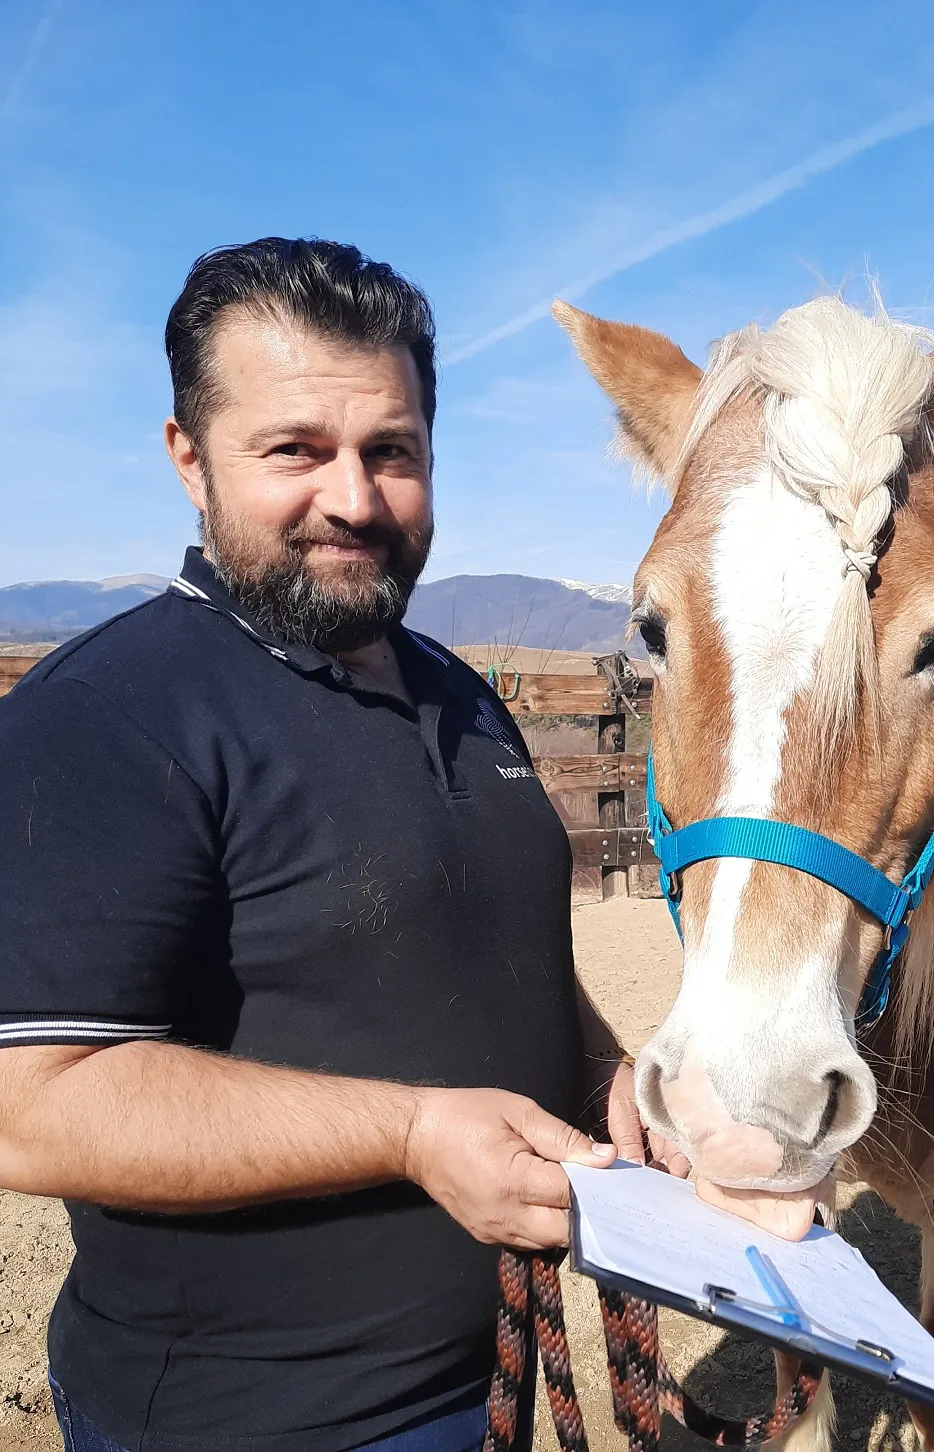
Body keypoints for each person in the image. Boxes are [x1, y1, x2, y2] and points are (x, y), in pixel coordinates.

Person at [0, 237, 678, 1452]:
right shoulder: (109, 715)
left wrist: (604, 1074)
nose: (354, 500)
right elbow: (30, 1106)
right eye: (295, 451)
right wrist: (411, 1135)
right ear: (188, 456)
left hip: (488, 1376)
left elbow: (490, 943)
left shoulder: (460, 695)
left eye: (391, 452)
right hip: (254, 1419)